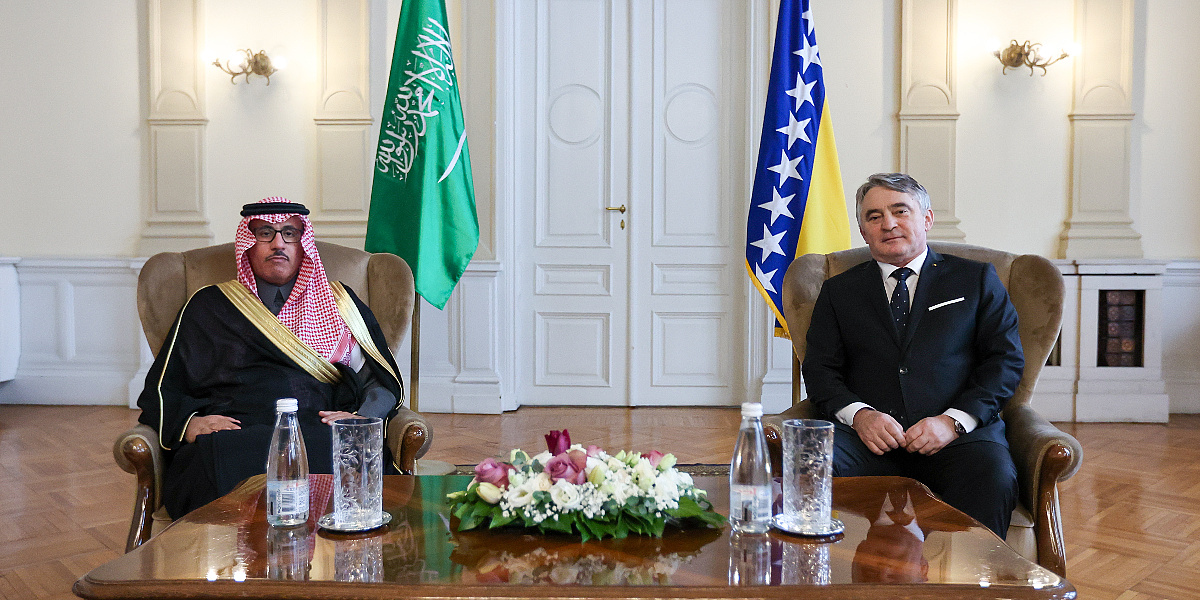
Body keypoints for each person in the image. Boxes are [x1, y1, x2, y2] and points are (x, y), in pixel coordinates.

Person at [137, 197, 406, 518]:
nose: (279, 243)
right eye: (265, 233)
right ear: (247, 244)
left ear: (303, 244)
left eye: (290, 233)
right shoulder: (208, 305)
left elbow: (379, 380)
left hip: (318, 430)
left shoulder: (340, 304)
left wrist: (362, 418)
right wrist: (188, 423)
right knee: (211, 460)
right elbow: (165, 385)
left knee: (347, 456)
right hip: (233, 435)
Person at [802, 173, 1023, 537]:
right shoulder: (839, 291)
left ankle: (977, 574)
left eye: (900, 211)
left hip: (959, 438)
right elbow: (820, 369)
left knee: (993, 476)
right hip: (866, 440)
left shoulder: (975, 279)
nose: (888, 224)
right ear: (863, 231)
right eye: (874, 216)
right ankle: (825, 569)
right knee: (809, 467)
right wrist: (860, 416)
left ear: (927, 218)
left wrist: (952, 422)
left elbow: (1005, 362)